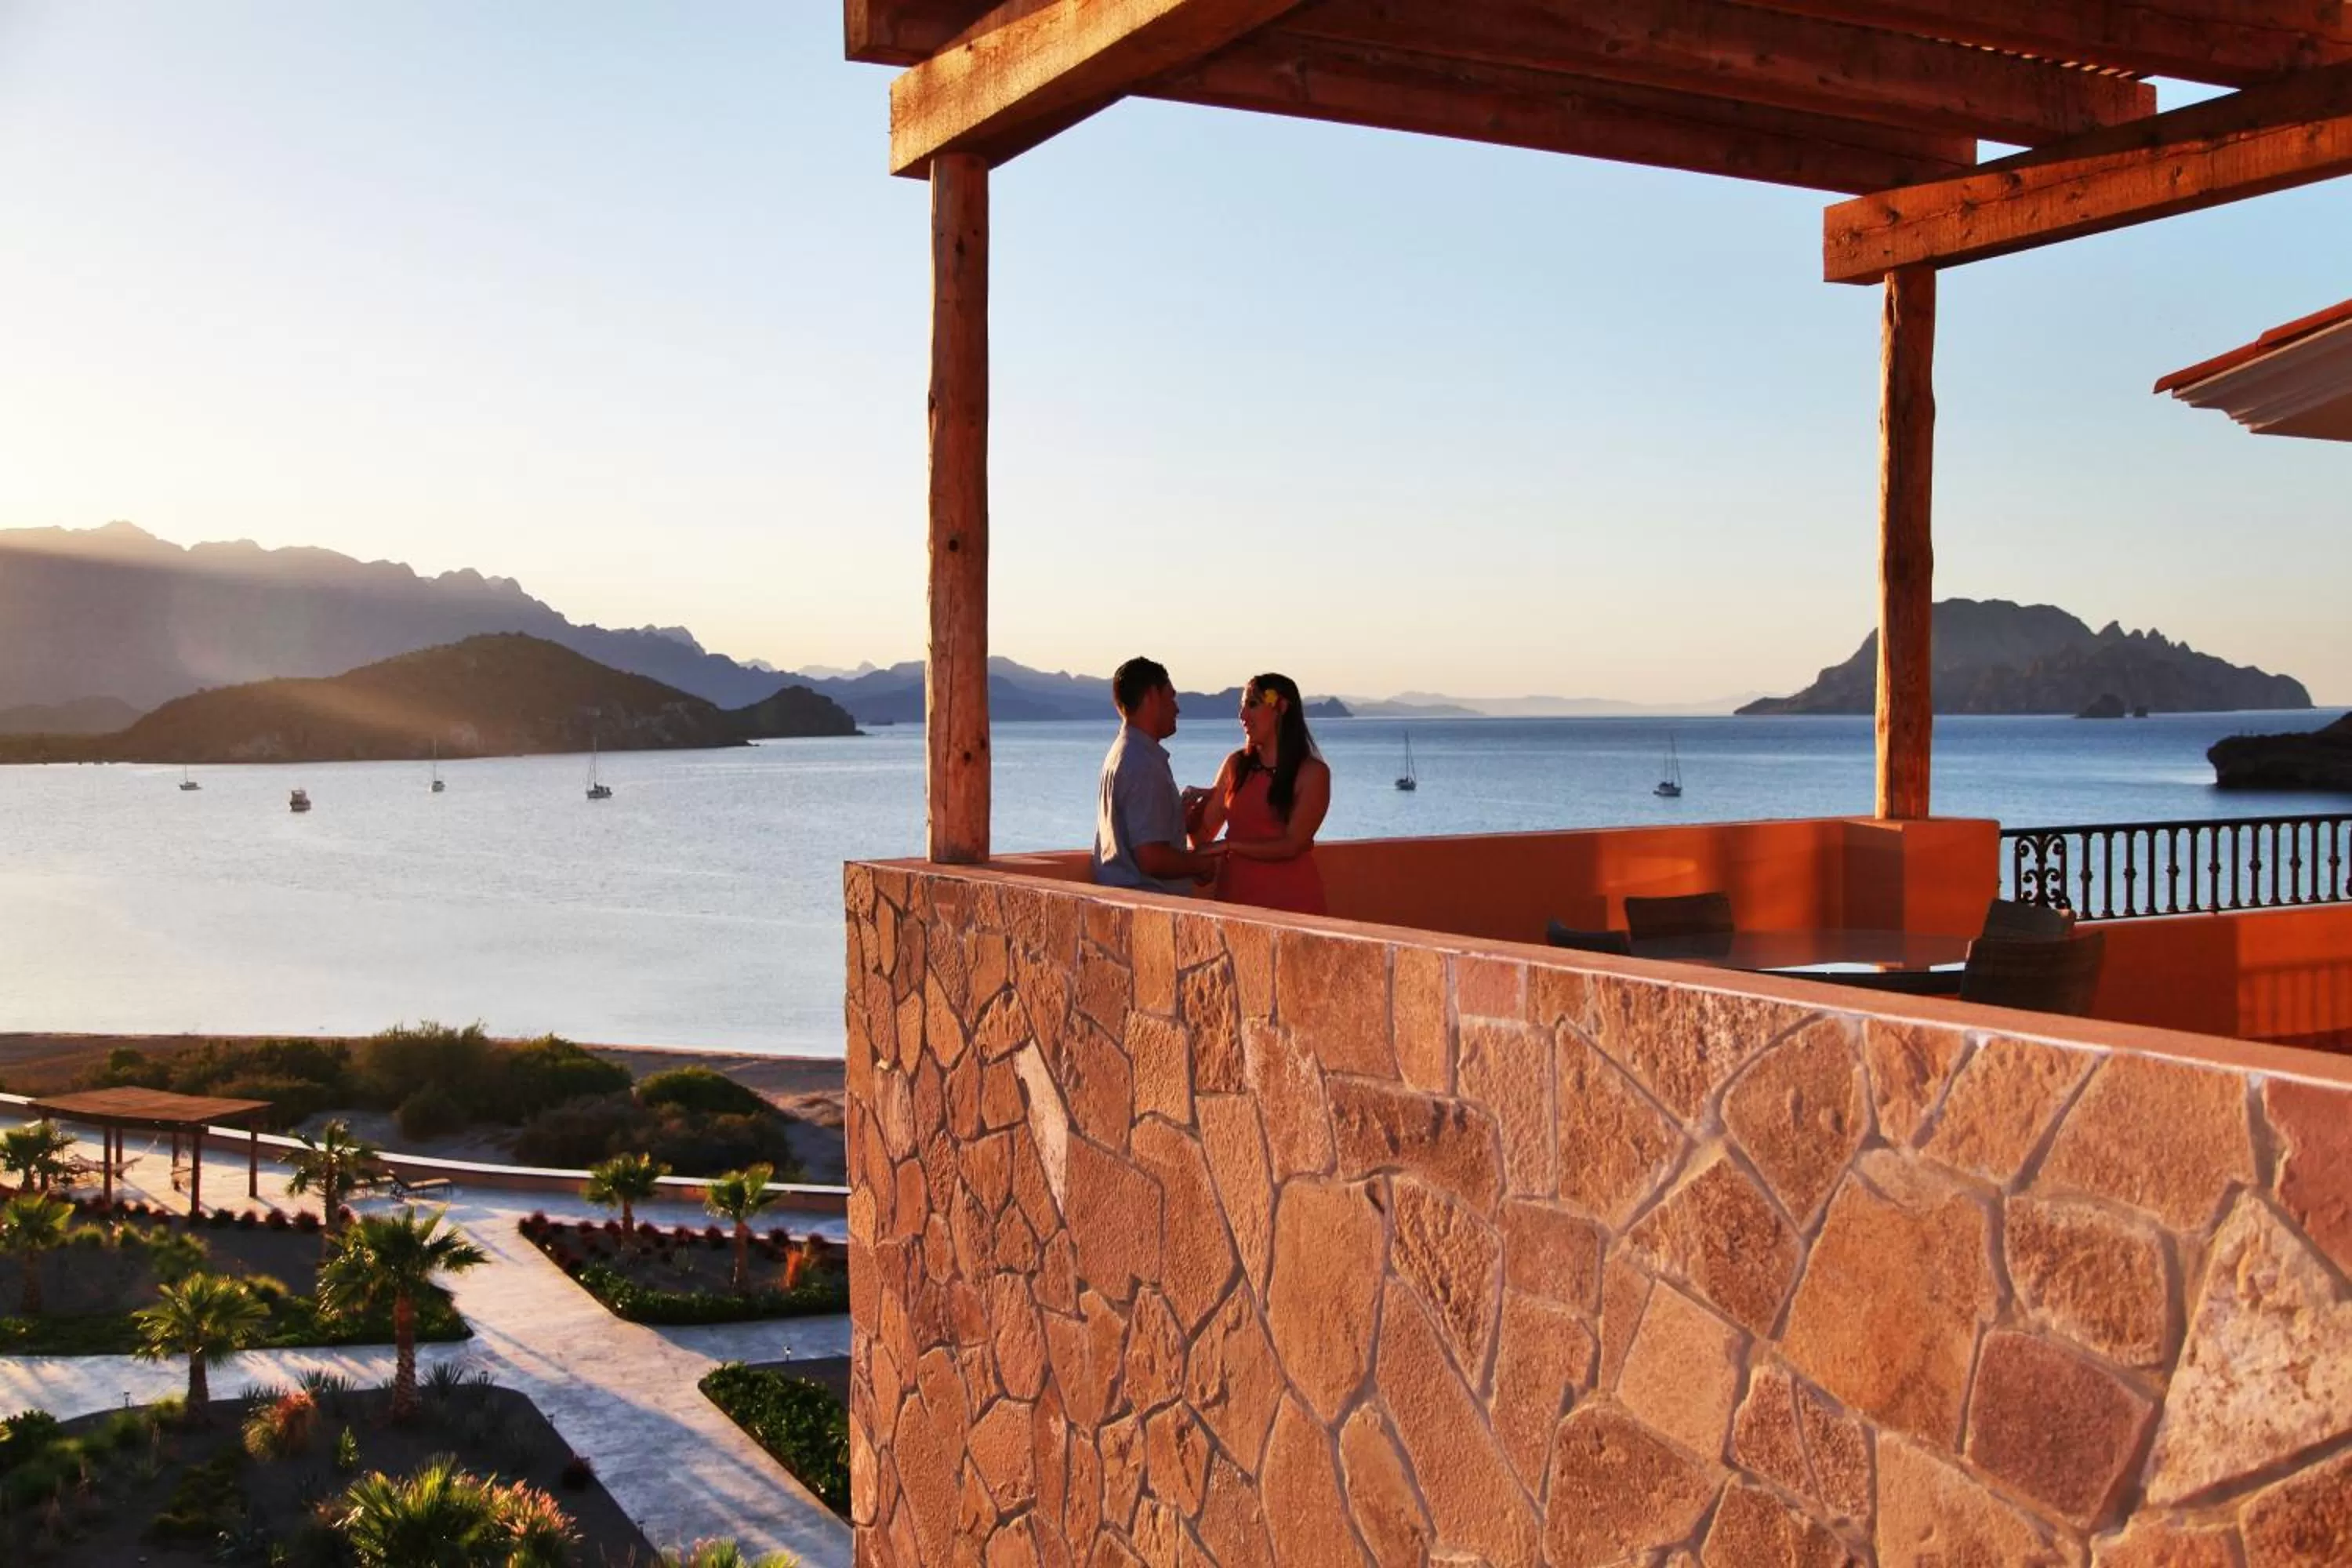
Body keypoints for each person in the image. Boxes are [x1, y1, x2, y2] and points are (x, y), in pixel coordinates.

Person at [1198, 673, 1330, 915]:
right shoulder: (1235, 765)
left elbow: (1293, 845)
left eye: (1253, 704)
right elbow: (1203, 840)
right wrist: (1190, 813)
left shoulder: (1313, 773)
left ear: (1281, 708)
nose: (1242, 716)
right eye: (1242, 707)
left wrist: (1230, 846)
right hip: (1235, 902)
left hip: (1293, 906)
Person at [1091, 656, 1222, 894]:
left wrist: (1178, 821)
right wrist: (1199, 864)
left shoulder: (1122, 753)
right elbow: (1151, 858)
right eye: (1171, 696)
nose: (1177, 708)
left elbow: (1132, 838)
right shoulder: (1143, 764)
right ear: (1152, 696)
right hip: (1148, 908)